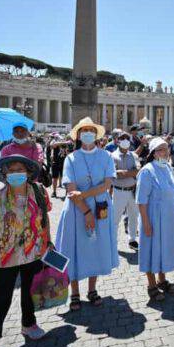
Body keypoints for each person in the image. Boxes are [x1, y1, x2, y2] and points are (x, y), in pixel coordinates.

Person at [0, 155, 52, 347]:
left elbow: (44, 219)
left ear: (28, 172)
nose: (16, 173)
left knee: (30, 291)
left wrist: (48, 243)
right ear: (6, 175)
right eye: (11, 170)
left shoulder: (38, 192)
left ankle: (29, 324)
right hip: (4, 254)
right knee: (0, 296)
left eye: (20, 169)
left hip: (33, 251)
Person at [55, 118, 118, 310]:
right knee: (74, 248)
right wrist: (86, 211)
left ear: (96, 134)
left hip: (101, 208)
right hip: (76, 209)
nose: (88, 133)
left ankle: (92, 289)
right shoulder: (70, 158)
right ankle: (74, 292)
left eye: (92, 130)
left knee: (96, 247)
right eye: (85, 130)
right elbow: (70, 189)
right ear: (79, 135)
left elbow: (107, 185)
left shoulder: (106, 156)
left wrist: (85, 194)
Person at [136, 137, 174, 301]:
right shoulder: (147, 171)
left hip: (169, 217)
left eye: (167, 148)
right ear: (154, 153)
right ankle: (151, 285)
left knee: (163, 248)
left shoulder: (168, 168)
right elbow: (141, 200)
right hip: (154, 218)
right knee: (151, 249)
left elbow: (171, 187)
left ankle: (162, 280)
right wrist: (146, 223)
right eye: (161, 149)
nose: (165, 152)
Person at [111, 131, 141, 249]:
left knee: (134, 216)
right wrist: (130, 172)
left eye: (127, 138)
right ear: (118, 140)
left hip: (133, 190)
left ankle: (132, 239)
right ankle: (113, 241)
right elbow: (114, 174)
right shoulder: (112, 156)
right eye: (122, 138)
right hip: (119, 191)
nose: (125, 140)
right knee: (115, 218)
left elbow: (138, 171)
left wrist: (124, 173)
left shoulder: (134, 156)